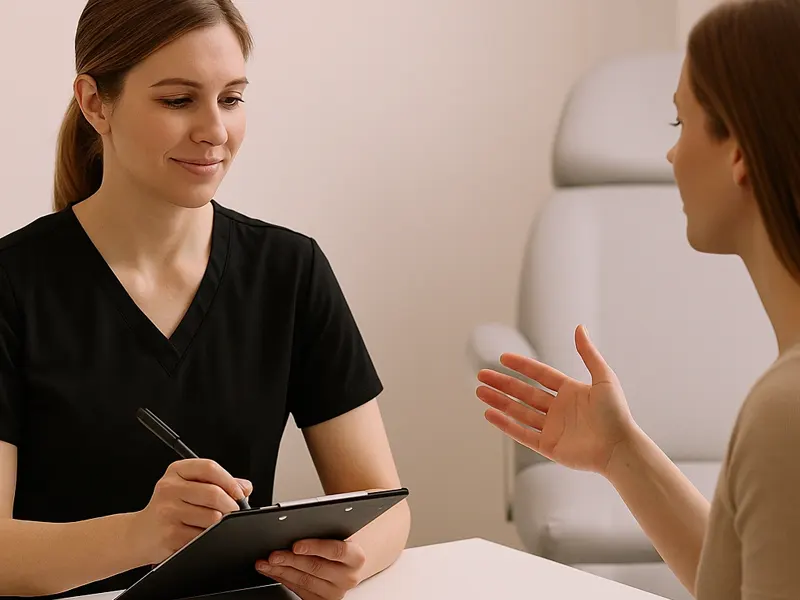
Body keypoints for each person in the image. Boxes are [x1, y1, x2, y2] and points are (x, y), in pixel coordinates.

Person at [0, 1, 410, 598]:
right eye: (177, 100)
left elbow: (386, 508)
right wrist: (142, 536)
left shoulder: (290, 271)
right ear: (95, 103)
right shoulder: (13, 285)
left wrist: (349, 557)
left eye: (232, 98)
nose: (215, 131)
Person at [475, 1, 800, 599]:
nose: (671, 156)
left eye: (681, 125)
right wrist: (618, 450)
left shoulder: (786, 413)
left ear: (739, 153)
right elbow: (739, 584)